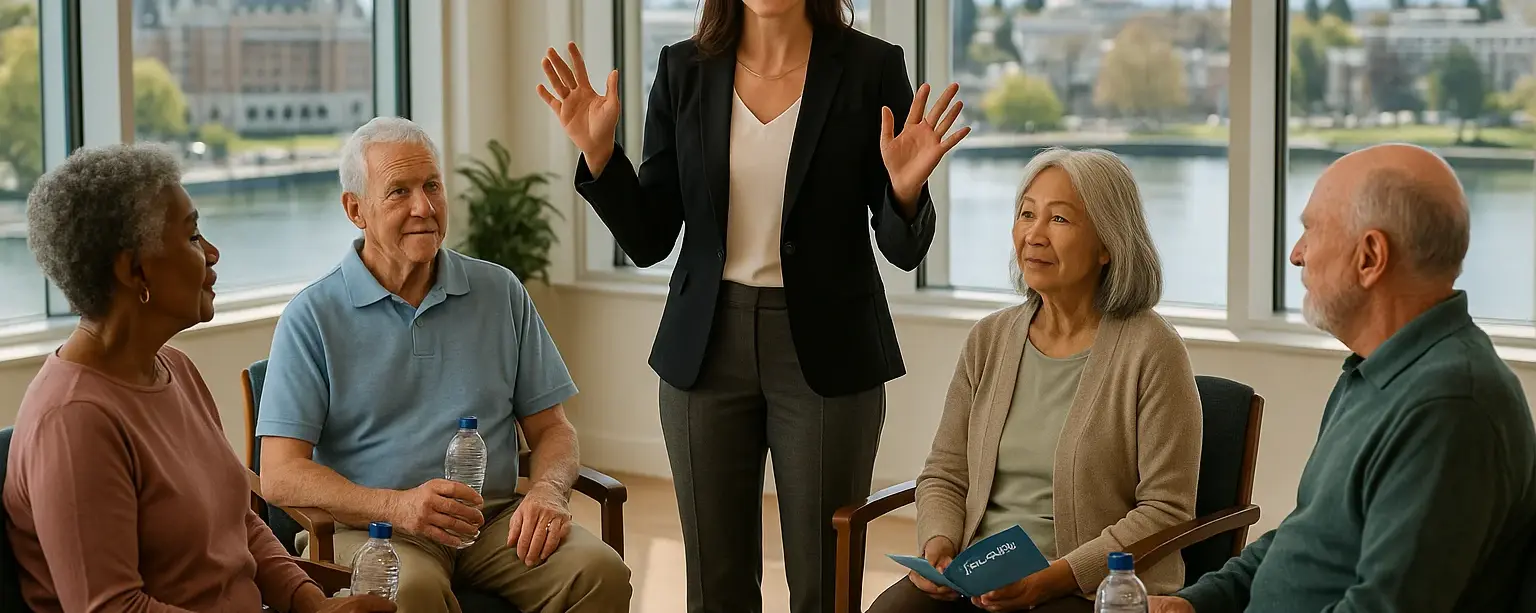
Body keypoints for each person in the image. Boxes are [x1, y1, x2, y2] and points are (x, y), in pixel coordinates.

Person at [538, 0, 969, 611]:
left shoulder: (872, 66)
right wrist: (601, 158)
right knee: (717, 582)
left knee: (824, 578)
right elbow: (650, 237)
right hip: (704, 351)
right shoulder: (683, 68)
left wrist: (904, 191)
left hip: (828, 349)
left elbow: (903, 251)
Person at [255, 117, 631, 613]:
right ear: (355, 209)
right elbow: (280, 475)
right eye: (399, 192)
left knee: (600, 572)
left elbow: (553, 430)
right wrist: (398, 507)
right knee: (411, 594)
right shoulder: (312, 317)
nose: (424, 207)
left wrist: (547, 492)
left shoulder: (500, 293)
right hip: (374, 529)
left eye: (432, 185)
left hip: (495, 522)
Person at [3, 144, 392, 613]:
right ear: (134, 270)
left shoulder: (175, 368)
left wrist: (311, 602)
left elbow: (241, 525)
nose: (212, 252)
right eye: (191, 237)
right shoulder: (73, 421)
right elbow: (113, 607)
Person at [1149, 144, 1536, 613]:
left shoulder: (1449, 405)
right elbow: (1307, 536)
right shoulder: (1372, 371)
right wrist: (1195, 604)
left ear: (1370, 256)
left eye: (1311, 230)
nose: (1296, 255)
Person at [866, 148, 1202, 613]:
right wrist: (939, 544)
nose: (1034, 235)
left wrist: (1050, 579)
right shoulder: (989, 338)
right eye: (1027, 214)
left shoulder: (1153, 349)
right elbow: (945, 472)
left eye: (1059, 220)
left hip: (1084, 587)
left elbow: (1165, 510)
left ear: (1108, 244)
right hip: (979, 575)